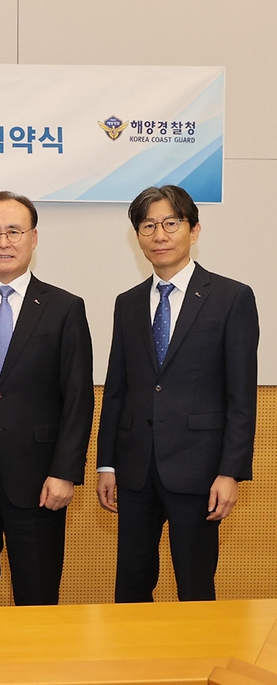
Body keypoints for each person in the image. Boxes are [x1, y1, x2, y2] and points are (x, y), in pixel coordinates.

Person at [96, 185, 258, 602]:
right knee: (131, 587)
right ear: (138, 236)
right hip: (135, 470)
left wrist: (230, 472)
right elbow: (116, 390)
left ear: (194, 230)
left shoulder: (231, 297)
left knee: (195, 586)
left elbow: (241, 397)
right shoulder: (127, 302)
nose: (160, 235)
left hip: (199, 471)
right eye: (148, 226)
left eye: (171, 223)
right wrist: (107, 464)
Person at [0, 191, 94, 607]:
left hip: (39, 478)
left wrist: (65, 471)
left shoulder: (65, 308)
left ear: (34, 238)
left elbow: (78, 397)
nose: (3, 242)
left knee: (38, 595)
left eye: (14, 231)